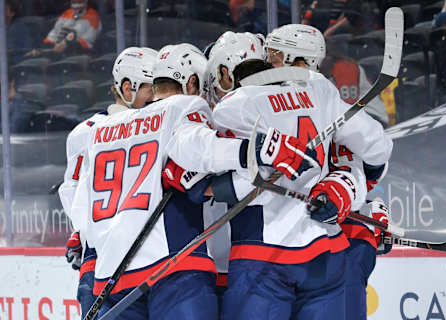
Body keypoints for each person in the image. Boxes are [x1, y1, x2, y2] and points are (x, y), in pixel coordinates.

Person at [76, 40, 315, 319]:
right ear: (191, 82)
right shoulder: (183, 107)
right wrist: (255, 150)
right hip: (173, 270)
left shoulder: (100, 130)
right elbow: (198, 148)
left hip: (109, 276)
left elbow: (82, 213)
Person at [204, 31, 392, 320]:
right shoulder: (319, 89)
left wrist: (228, 185)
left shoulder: (234, 105)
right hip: (324, 250)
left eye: (274, 53)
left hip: (260, 256)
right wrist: (354, 188)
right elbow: (377, 148)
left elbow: (210, 185)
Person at [264, 24, 391, 319]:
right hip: (290, 247)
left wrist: (364, 201)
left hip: (326, 243)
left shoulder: (323, 99)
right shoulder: (268, 97)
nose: (267, 60)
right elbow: (375, 154)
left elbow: (365, 162)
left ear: (296, 58)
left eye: (274, 53)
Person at [58, 46, 157, 318]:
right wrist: (83, 231)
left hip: (149, 262)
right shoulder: (89, 133)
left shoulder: (157, 126)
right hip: (101, 264)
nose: (158, 97)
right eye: (152, 88)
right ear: (128, 89)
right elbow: (73, 193)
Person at [265, 24, 389, 126]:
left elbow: (347, 107)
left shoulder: (345, 68)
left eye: (275, 59)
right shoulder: (307, 78)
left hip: (370, 118)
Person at [26, 0, 102, 57]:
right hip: (57, 55)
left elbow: (81, 40)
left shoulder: (93, 16)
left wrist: (65, 44)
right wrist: (42, 50)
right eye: (74, 2)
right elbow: (52, 36)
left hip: (80, 54)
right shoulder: (66, 14)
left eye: (79, 1)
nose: (76, 4)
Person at [6, 0, 33, 65]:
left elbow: (26, 49)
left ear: (12, 13)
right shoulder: (3, 27)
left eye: (5, 9)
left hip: (15, 64)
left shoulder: (18, 27)